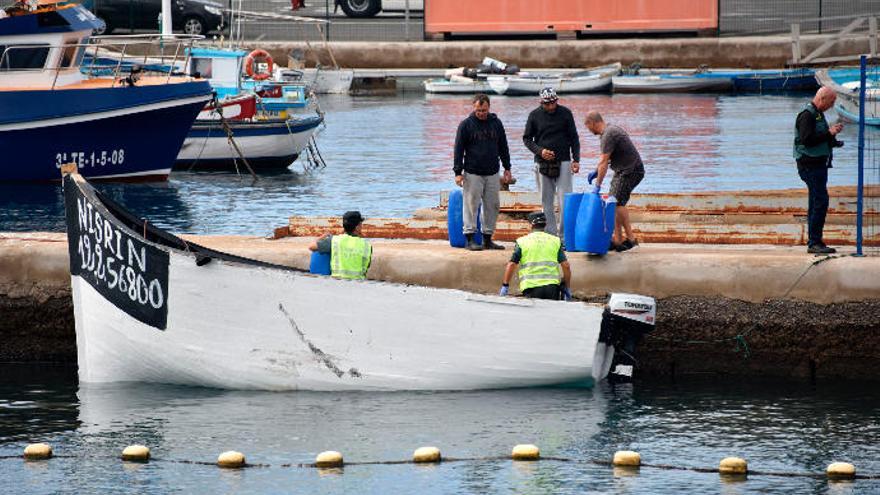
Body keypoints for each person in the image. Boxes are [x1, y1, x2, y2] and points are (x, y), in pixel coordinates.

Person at [454, 93, 513, 251]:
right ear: (474, 108)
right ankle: (470, 239)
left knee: (492, 205)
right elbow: (458, 150)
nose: (481, 113)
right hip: (472, 172)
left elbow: (503, 147)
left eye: (484, 110)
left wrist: (507, 167)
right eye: (479, 110)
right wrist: (457, 172)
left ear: (489, 108)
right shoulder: (466, 125)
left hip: (493, 171)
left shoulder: (496, 123)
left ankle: (487, 239)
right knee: (471, 205)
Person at [522, 87, 580, 240]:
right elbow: (527, 139)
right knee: (546, 201)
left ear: (556, 100)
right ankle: (551, 235)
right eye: (547, 104)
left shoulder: (566, 113)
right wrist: (540, 151)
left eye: (553, 103)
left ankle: (564, 237)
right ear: (541, 102)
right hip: (542, 163)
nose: (551, 106)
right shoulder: (534, 115)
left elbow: (574, 137)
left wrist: (576, 159)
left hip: (564, 161)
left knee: (564, 201)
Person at [585, 111, 645, 252]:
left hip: (630, 170)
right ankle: (618, 240)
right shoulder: (609, 132)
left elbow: (604, 162)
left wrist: (597, 185)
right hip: (623, 170)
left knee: (617, 203)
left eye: (588, 127)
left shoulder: (608, 134)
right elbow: (606, 159)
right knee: (613, 202)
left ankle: (630, 240)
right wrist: (596, 171)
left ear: (593, 123)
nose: (589, 130)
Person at [794, 87, 844, 254]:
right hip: (809, 166)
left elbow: (820, 137)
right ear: (822, 99)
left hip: (818, 165)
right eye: (831, 102)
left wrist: (833, 137)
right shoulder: (806, 115)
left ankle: (815, 240)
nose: (832, 106)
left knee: (816, 201)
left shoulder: (818, 113)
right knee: (820, 201)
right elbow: (807, 140)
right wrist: (828, 133)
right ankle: (814, 242)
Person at [500, 212, 572, 301]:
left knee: (533, 314)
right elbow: (566, 265)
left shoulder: (522, 242)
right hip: (552, 288)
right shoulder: (555, 241)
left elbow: (511, 265)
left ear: (530, 225)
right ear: (545, 224)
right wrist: (568, 287)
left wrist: (505, 285)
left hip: (531, 288)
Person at [308, 211, 372, 280]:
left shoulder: (335, 240)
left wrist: (323, 237)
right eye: (360, 224)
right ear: (357, 228)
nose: (361, 226)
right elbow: (366, 266)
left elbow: (311, 247)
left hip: (337, 282)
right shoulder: (366, 245)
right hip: (358, 282)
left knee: (321, 251)